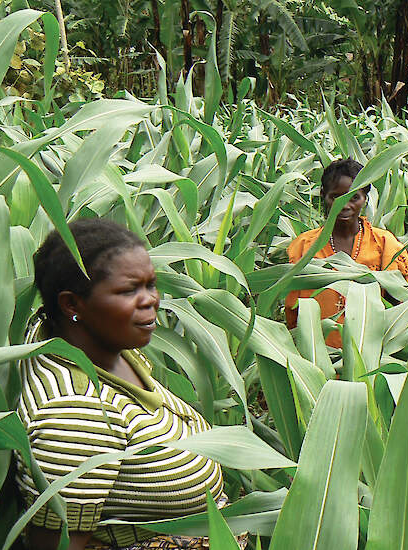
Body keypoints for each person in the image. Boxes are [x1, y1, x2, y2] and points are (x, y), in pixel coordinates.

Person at [17, 218, 244, 550]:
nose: (150, 299)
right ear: (71, 305)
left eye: (151, 284)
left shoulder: (103, 347)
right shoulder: (77, 413)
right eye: (129, 290)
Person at [285, 159, 408, 347]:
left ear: (365, 198)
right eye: (336, 197)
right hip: (315, 355)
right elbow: (293, 313)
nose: (345, 205)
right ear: (324, 196)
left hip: (370, 359)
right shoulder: (304, 247)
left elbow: (401, 307)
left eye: (354, 197)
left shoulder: (385, 245)